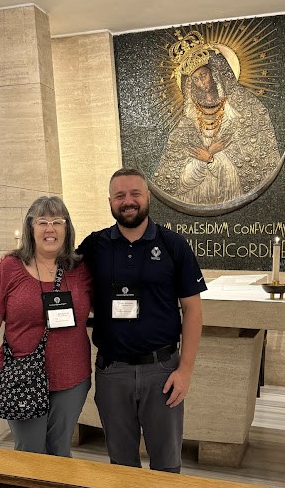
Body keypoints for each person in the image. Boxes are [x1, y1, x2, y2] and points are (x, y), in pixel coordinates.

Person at [78, 168, 205, 472]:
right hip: (112, 373)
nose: (128, 201)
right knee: (121, 466)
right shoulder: (94, 246)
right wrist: (19, 257)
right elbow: (53, 267)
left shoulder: (174, 244)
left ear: (147, 197)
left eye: (135, 193)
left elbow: (193, 310)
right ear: (110, 201)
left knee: (167, 465)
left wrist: (185, 371)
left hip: (162, 372)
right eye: (120, 195)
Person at [0, 196, 92, 457]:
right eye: (42, 222)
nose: (50, 229)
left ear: (67, 228)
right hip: (22, 378)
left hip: (72, 380)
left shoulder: (80, 270)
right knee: (30, 454)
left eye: (57, 221)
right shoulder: (9, 268)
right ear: (31, 228)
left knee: (60, 451)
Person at [154, 40, 280, 206]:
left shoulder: (241, 108)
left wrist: (213, 159)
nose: (201, 82)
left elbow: (255, 164)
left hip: (230, 189)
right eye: (196, 79)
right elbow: (174, 179)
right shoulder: (189, 119)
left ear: (215, 74)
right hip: (195, 196)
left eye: (204, 75)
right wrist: (207, 156)